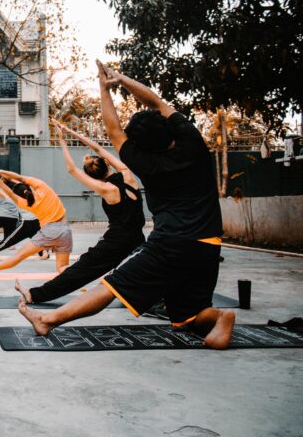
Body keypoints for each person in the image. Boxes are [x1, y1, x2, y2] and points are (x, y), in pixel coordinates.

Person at [18, 60, 234, 350]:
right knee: (184, 318)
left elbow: (113, 130)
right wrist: (119, 80)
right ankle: (219, 317)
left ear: (143, 145)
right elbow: (156, 101)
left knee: (112, 286)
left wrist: (103, 89)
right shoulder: (191, 140)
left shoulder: (146, 162)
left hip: (171, 243)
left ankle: (49, 320)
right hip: (209, 243)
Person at [15, 119, 145, 305]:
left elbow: (71, 169)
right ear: (107, 164)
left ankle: (35, 295)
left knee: (81, 271)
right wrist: (70, 132)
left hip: (116, 242)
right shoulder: (127, 175)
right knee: (142, 270)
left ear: (93, 177)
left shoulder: (106, 189)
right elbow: (98, 149)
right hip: (138, 240)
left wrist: (62, 140)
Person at [0, 168, 72, 275]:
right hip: (65, 231)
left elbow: (9, 192)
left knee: (19, 256)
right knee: (62, 267)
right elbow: (19, 177)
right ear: (29, 187)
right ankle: (82, 271)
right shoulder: (43, 187)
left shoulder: (27, 204)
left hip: (49, 232)